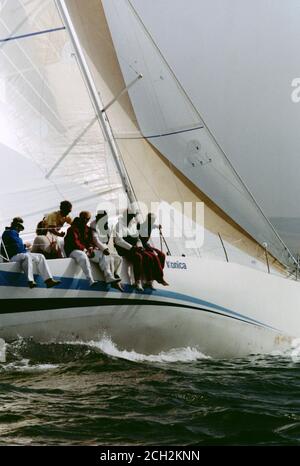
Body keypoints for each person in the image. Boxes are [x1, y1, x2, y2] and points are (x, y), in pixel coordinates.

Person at [1, 218, 61, 289]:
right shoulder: (9, 233)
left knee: (40, 256)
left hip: (19, 255)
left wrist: (25, 248)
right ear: (17, 226)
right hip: (12, 257)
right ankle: (30, 281)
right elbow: (16, 248)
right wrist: (25, 246)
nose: (20, 230)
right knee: (27, 256)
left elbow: (18, 247)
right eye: (20, 228)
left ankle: (48, 280)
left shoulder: (13, 233)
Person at [114, 205, 145, 291]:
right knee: (138, 257)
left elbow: (138, 239)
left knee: (148, 256)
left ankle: (149, 281)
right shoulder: (119, 224)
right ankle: (137, 282)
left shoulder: (133, 224)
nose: (132, 217)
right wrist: (132, 248)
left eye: (133, 216)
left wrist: (140, 246)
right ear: (126, 215)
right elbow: (118, 241)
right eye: (131, 215)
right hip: (123, 249)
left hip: (134, 248)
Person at [90, 211, 123, 290]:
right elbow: (95, 240)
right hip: (95, 248)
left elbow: (107, 240)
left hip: (104, 248)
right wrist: (104, 249)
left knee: (119, 258)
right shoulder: (93, 227)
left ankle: (116, 275)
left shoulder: (106, 226)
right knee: (107, 256)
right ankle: (109, 277)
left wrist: (106, 248)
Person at [64, 211, 98, 286]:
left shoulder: (88, 229)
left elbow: (89, 241)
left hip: (84, 250)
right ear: (80, 217)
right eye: (84, 218)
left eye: (87, 219)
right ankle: (90, 280)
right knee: (82, 257)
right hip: (73, 250)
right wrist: (85, 250)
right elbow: (75, 241)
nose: (85, 220)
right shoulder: (72, 228)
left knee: (100, 255)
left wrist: (90, 247)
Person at [138, 213, 168, 288]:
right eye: (151, 220)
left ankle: (155, 275)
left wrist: (158, 226)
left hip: (147, 245)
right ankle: (158, 278)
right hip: (141, 246)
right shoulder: (141, 226)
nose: (152, 222)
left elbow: (154, 226)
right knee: (153, 256)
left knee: (162, 255)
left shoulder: (151, 225)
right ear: (148, 219)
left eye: (153, 220)